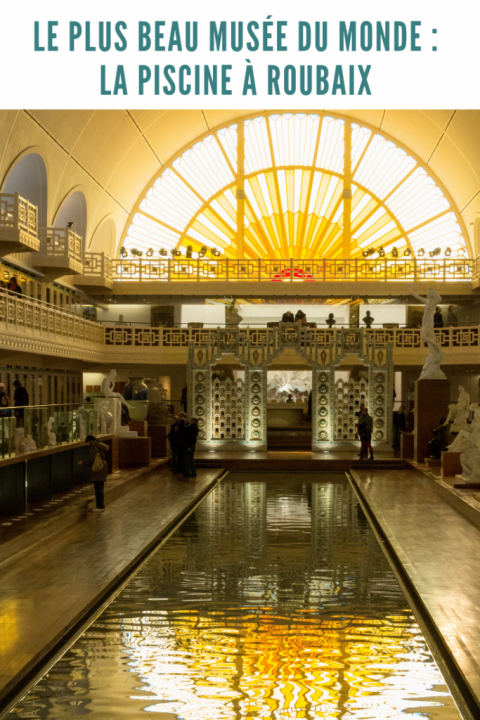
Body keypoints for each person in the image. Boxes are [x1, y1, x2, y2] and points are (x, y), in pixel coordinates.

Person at [78, 435, 109, 512]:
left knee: (98, 488)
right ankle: (101, 506)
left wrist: (83, 462)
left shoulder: (94, 446)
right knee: (100, 487)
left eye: (87, 443)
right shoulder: (100, 444)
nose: (87, 444)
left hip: (97, 469)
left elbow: (91, 459)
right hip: (102, 467)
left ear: (90, 441)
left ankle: (100, 507)